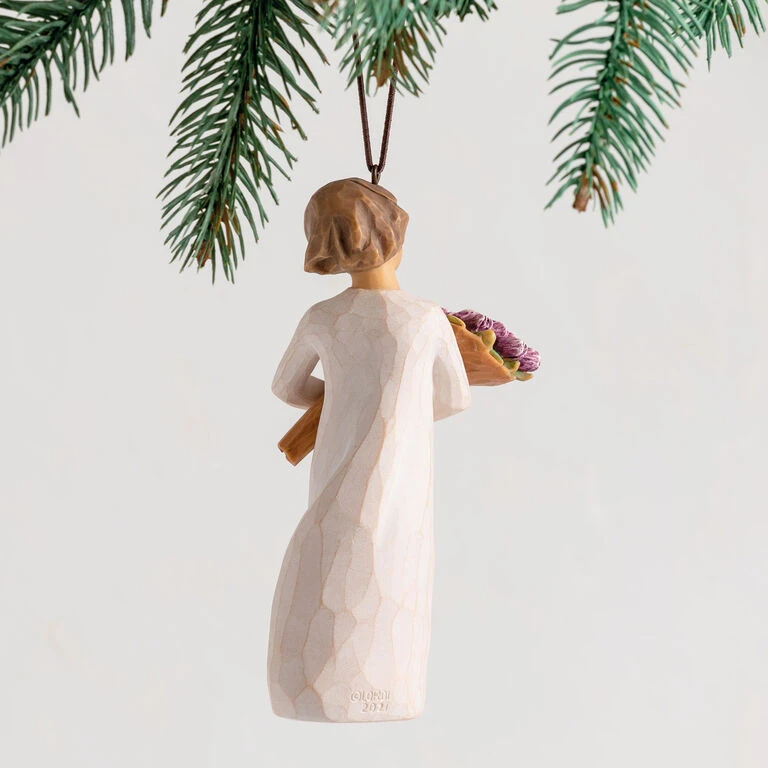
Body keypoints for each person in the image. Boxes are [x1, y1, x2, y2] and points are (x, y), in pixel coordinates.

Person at [267, 178, 470, 722]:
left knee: (332, 554)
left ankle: (314, 685)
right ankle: (391, 686)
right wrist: (402, 409)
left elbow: (286, 388)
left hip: (337, 454)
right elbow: (454, 398)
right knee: (399, 563)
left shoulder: (322, 317)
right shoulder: (426, 318)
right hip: (408, 469)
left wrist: (342, 396)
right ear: (395, 233)